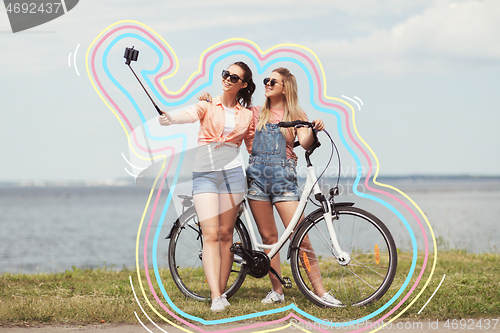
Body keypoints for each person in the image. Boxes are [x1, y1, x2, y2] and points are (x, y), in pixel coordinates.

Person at [201, 67, 340, 305]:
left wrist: (312, 127)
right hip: (257, 181)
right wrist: (209, 101)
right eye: (266, 80)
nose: (267, 83)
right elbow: (228, 112)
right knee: (269, 239)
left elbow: (305, 144)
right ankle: (277, 291)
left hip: (284, 181)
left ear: (285, 88)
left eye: (272, 81)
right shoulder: (254, 113)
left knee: (301, 237)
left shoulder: (296, 113)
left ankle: (321, 292)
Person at [159, 62, 256, 312]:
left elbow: (252, 146)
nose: (227, 79)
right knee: (210, 234)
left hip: (233, 176)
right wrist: (169, 118)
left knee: (226, 235)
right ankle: (215, 297)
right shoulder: (207, 104)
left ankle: (222, 293)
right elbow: (189, 114)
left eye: (234, 77)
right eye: (225, 74)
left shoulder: (247, 115)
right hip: (205, 175)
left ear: (243, 84)